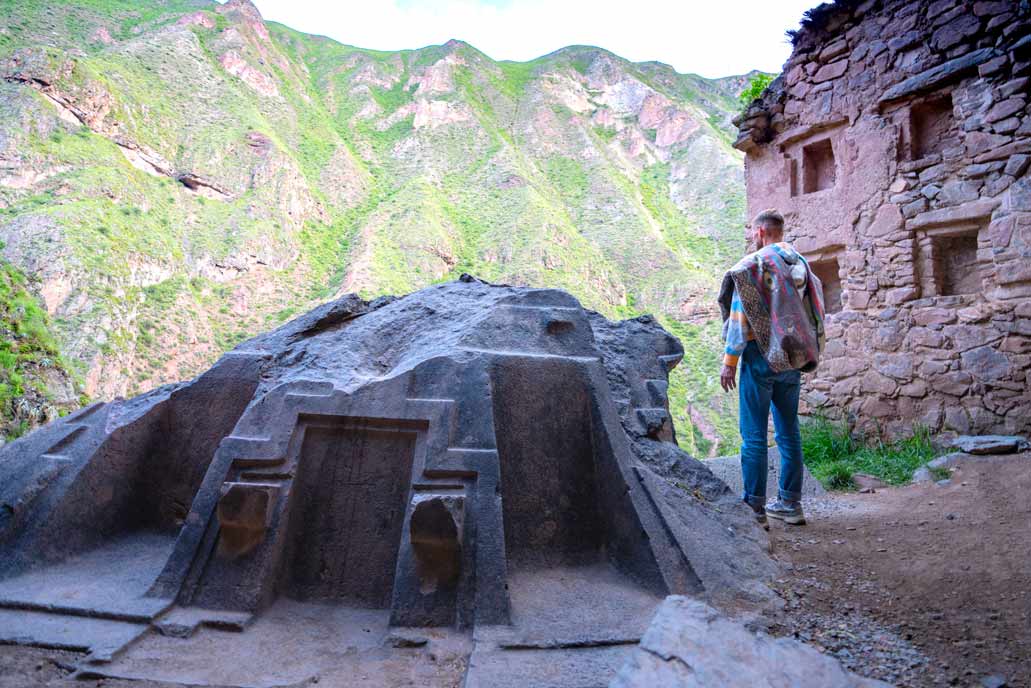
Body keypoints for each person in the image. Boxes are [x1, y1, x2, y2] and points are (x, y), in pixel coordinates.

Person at [717, 209, 826, 529]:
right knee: (788, 431)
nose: (752, 236)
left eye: (753, 232)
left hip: (760, 356)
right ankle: (791, 504)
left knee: (753, 435)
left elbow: (739, 317)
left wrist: (730, 362)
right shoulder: (800, 264)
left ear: (761, 232)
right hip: (793, 355)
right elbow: (816, 308)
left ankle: (755, 508)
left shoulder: (753, 266)